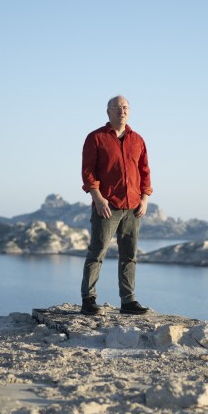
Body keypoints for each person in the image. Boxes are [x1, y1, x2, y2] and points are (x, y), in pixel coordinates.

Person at [80, 95, 153, 315]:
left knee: (129, 255)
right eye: (117, 107)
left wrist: (145, 198)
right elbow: (88, 172)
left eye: (125, 107)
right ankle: (89, 300)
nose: (122, 111)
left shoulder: (138, 139)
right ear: (108, 111)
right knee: (97, 252)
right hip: (107, 206)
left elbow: (145, 171)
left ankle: (128, 301)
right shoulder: (96, 138)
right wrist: (98, 198)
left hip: (133, 206)